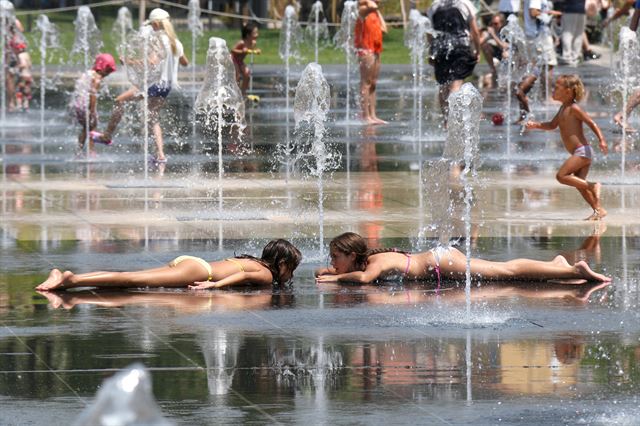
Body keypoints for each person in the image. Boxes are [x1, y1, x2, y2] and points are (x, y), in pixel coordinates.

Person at [314, 232, 611, 284]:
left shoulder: (373, 265)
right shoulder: (369, 259)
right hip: (440, 259)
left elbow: (364, 278)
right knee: (502, 270)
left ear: (352, 255)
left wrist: (335, 278)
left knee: (505, 272)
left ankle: (573, 272)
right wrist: (330, 271)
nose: (333, 262)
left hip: (440, 262)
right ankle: (554, 265)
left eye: (336, 257)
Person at [94, 8, 189, 163]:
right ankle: (160, 155)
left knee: (119, 100)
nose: (151, 28)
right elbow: (185, 63)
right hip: (166, 86)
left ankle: (107, 136)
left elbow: (151, 62)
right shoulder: (175, 42)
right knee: (153, 118)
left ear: (157, 24)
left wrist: (128, 61)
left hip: (152, 83)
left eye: (152, 25)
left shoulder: (159, 40)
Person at [36, 239, 302, 291]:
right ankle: (71, 280)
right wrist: (213, 286)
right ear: (281, 263)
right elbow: (241, 275)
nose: (291, 274)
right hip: (200, 272)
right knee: (131, 280)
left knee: (131, 280)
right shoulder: (266, 274)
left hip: (189, 262)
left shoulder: (252, 259)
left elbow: (241, 269)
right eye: (292, 267)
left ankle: (71, 278)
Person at [525, 74, 608, 220]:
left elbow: (591, 123)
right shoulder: (563, 108)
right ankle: (598, 209)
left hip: (582, 151)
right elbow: (552, 125)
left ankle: (593, 185)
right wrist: (536, 125)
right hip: (581, 152)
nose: (553, 90)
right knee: (579, 184)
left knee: (561, 176)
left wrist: (602, 140)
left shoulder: (574, 108)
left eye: (557, 87)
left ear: (568, 91)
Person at [426, 0, 481, 123]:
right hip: (460, 47)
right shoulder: (464, 3)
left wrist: (432, 52)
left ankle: (446, 121)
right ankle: (453, 120)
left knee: (443, 85)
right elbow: (475, 31)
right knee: (455, 84)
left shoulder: (434, 6)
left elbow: (429, 32)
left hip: (440, 49)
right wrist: (477, 50)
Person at [517, 0, 561, 121]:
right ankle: (544, 97)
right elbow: (533, 12)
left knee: (537, 68)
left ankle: (523, 94)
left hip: (537, 36)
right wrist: (550, 13)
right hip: (539, 37)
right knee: (547, 66)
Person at [69, 53, 117, 156]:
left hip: (77, 104)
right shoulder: (97, 78)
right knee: (92, 125)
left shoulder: (88, 73)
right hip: (85, 105)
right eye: (107, 70)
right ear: (101, 67)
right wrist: (92, 110)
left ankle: (79, 150)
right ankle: (90, 151)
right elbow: (93, 94)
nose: (108, 74)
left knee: (86, 127)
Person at [355, 0, 387, 125]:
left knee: (373, 83)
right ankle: (365, 115)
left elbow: (384, 29)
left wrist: (377, 10)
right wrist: (370, 4)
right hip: (365, 50)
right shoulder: (363, 10)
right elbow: (371, 5)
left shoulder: (374, 12)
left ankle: (373, 115)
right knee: (366, 83)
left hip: (376, 49)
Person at [231, 21, 261, 98]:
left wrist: (256, 51)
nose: (257, 35)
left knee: (247, 74)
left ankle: (243, 93)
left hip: (240, 61)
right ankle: (233, 93)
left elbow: (252, 50)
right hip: (233, 60)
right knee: (237, 76)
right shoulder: (242, 42)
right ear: (248, 35)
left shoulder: (253, 43)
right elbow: (232, 50)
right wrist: (242, 51)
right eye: (255, 33)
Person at [480, 13, 508, 85]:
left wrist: (493, 35)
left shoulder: (506, 31)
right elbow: (480, 42)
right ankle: (493, 69)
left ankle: (507, 74)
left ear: (502, 23)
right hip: (499, 53)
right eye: (492, 24)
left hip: (511, 56)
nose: (493, 26)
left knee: (505, 54)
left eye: (496, 24)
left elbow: (504, 46)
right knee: (485, 46)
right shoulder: (493, 30)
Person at [558, 0, 586, 66]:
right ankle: (576, 56)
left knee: (567, 33)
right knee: (578, 35)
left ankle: (567, 56)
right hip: (581, 9)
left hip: (569, 9)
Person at [13, 39, 32, 111]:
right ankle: (26, 105)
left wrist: (16, 67)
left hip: (23, 75)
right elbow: (29, 65)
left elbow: (23, 65)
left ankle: (19, 105)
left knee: (19, 90)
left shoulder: (20, 55)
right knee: (26, 91)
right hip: (28, 75)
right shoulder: (27, 55)